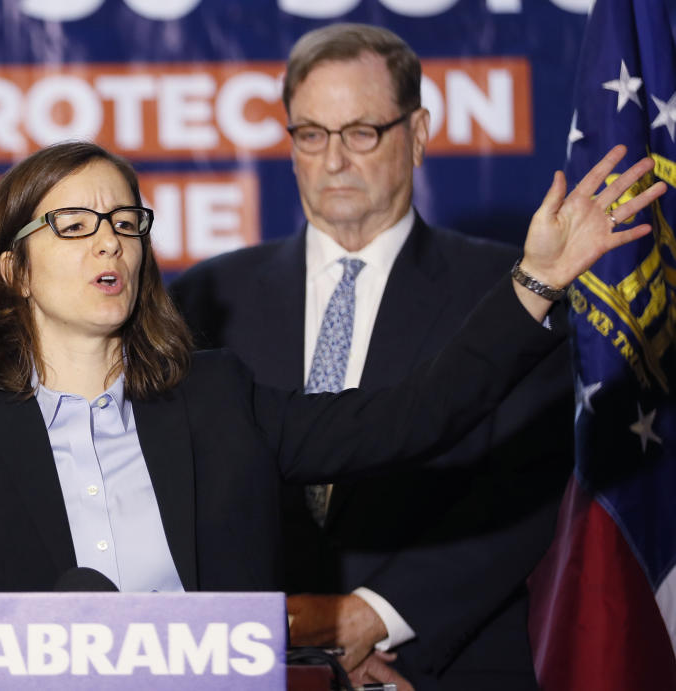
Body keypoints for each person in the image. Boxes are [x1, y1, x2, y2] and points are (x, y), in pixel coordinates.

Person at [0, 139, 661, 602]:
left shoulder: (216, 398)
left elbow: (414, 415)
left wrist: (531, 282)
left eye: (124, 222)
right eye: (73, 225)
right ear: (15, 271)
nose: (109, 244)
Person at [169, 23, 577, 688]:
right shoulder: (206, 297)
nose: (333, 160)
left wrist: (375, 614)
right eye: (310, 134)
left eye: (360, 132)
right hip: (252, 664)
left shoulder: (512, 292)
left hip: (442, 660)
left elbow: (532, 475)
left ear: (416, 135)